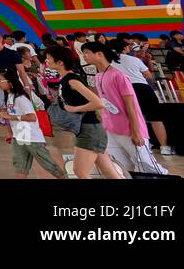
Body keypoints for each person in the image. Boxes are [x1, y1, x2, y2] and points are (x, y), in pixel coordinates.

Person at [83, 41, 167, 176]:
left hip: (129, 129)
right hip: (112, 129)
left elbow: (131, 105)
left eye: (87, 53)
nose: (84, 56)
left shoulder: (118, 75)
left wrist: (136, 131)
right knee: (119, 167)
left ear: (99, 54)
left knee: (146, 164)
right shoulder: (98, 76)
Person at [43, 46, 124, 179]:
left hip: (89, 130)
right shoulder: (65, 80)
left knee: (80, 171)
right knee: (109, 172)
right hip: (88, 129)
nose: (46, 61)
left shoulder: (72, 80)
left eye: (49, 58)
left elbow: (98, 103)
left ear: (60, 62)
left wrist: (74, 109)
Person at [0, 70, 65, 178]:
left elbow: (32, 117)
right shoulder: (10, 97)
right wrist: (2, 113)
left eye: (0, 80)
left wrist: (9, 116)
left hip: (32, 138)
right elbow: (14, 113)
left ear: (10, 82)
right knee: (20, 167)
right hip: (19, 136)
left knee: (48, 164)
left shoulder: (21, 98)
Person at [114, 36, 171, 154]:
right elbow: (148, 74)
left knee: (135, 117)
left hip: (125, 90)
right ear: (125, 48)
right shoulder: (134, 59)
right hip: (143, 88)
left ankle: (145, 144)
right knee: (155, 117)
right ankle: (164, 147)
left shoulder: (109, 62)